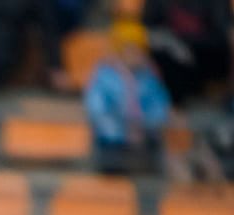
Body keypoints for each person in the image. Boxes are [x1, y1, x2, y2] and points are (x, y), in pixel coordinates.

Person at [84, 22, 172, 176]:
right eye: (129, 48)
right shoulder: (103, 76)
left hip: (144, 137)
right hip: (112, 139)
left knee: (157, 153)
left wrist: (144, 125)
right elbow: (96, 109)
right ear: (118, 51)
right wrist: (124, 127)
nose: (134, 54)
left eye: (139, 49)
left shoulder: (150, 78)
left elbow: (159, 107)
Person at [143, 0, 233, 104]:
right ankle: (173, 104)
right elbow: (148, 29)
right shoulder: (158, 3)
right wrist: (174, 44)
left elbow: (222, 31)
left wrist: (188, 45)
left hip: (207, 52)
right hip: (171, 52)